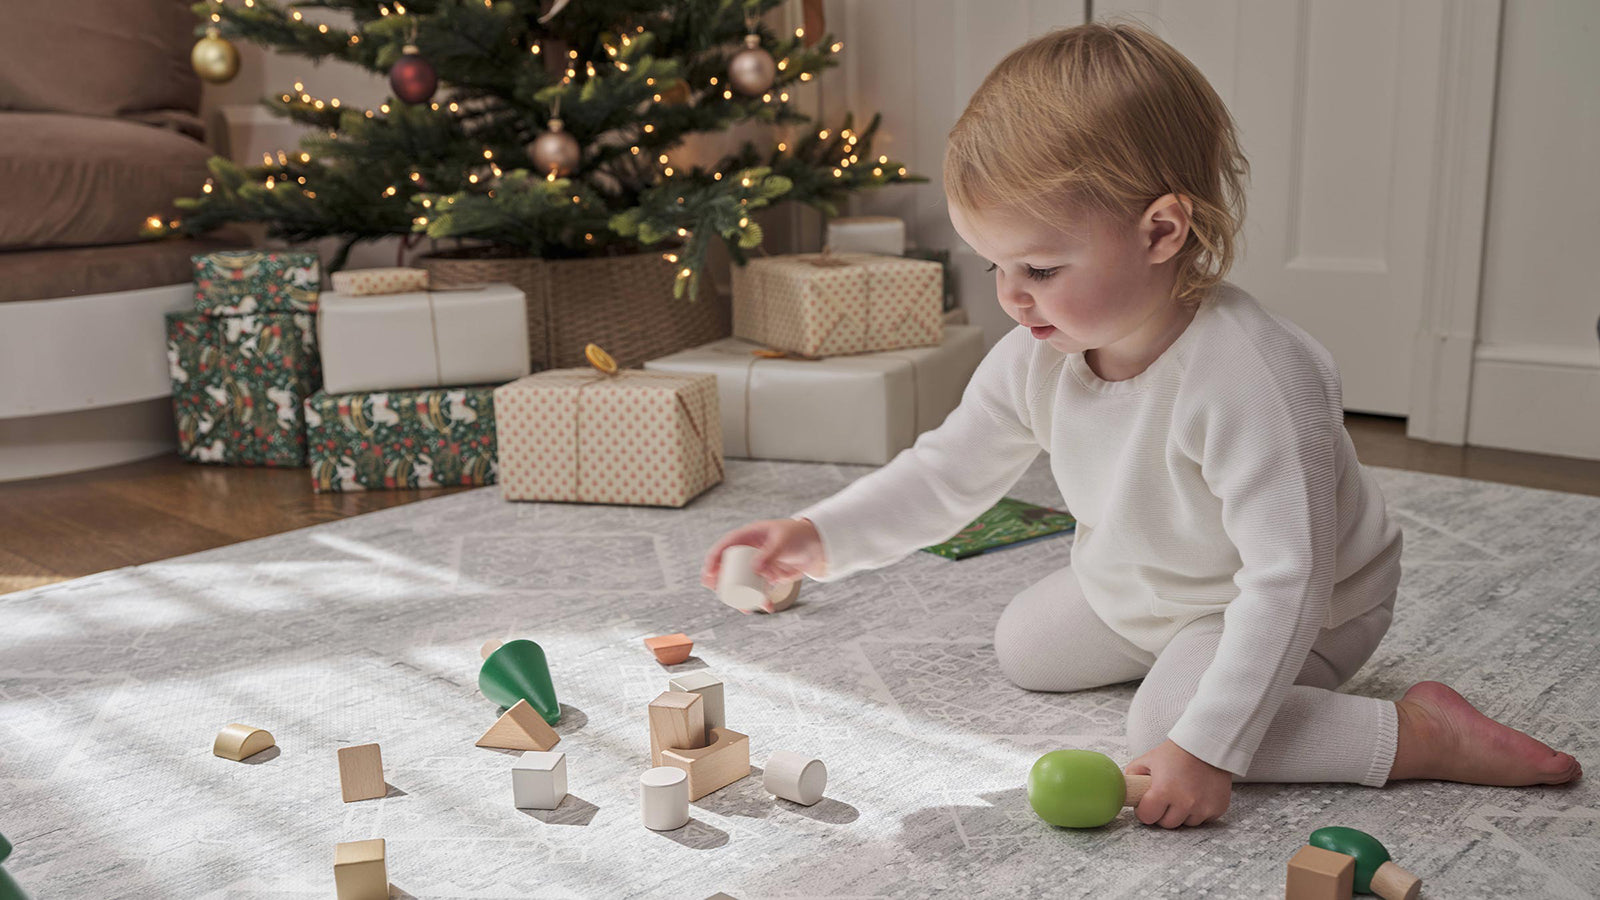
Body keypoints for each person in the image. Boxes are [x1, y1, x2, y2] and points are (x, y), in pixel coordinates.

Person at [701, 22, 1581, 829]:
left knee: (1170, 723)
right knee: (1026, 647)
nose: (1009, 296)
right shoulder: (1038, 353)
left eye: (1039, 266)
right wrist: (820, 536)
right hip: (1151, 583)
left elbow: (1290, 578)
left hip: (1302, 605)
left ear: (1161, 231)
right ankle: (1192, 668)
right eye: (996, 264)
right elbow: (945, 474)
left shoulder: (1251, 376)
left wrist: (1207, 750)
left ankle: (1420, 732)